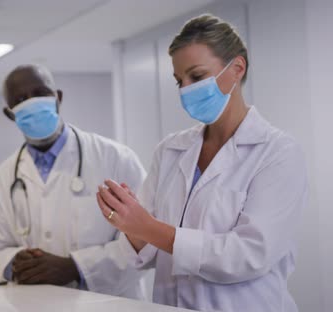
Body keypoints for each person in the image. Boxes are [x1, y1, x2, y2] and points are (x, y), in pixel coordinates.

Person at [96, 14, 307, 312]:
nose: (185, 89)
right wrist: (129, 222)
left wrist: (148, 226)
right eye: (179, 80)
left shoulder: (277, 153)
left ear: (236, 69)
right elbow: (144, 252)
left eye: (196, 76)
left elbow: (249, 254)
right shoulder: (171, 150)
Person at [0, 64, 149, 299]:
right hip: (36, 303)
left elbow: (144, 241)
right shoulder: (3, 177)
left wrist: (75, 267)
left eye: (40, 93)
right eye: (20, 99)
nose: (31, 102)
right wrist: (14, 262)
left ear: (58, 98)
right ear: (10, 113)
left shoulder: (116, 158)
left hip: (109, 305)